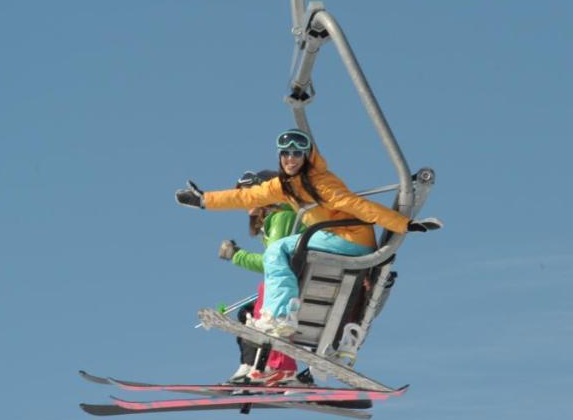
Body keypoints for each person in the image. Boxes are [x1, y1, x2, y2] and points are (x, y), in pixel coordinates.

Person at [177, 128, 439, 341]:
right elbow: (245, 195)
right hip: (334, 238)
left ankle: (281, 315)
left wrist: (404, 224)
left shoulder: (320, 182)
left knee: (277, 250)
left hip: (350, 240)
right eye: (286, 154)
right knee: (280, 250)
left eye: (297, 154)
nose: (290, 159)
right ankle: (282, 314)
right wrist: (203, 200)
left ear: (306, 157)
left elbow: (360, 207)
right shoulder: (284, 185)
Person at [217, 170, 304, 385]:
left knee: (263, 308)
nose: (247, 200)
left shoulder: (283, 216)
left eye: (252, 193)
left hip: (289, 289)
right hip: (291, 285)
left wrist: (237, 255)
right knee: (245, 314)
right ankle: (250, 366)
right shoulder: (275, 219)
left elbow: (274, 262)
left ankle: (277, 367)